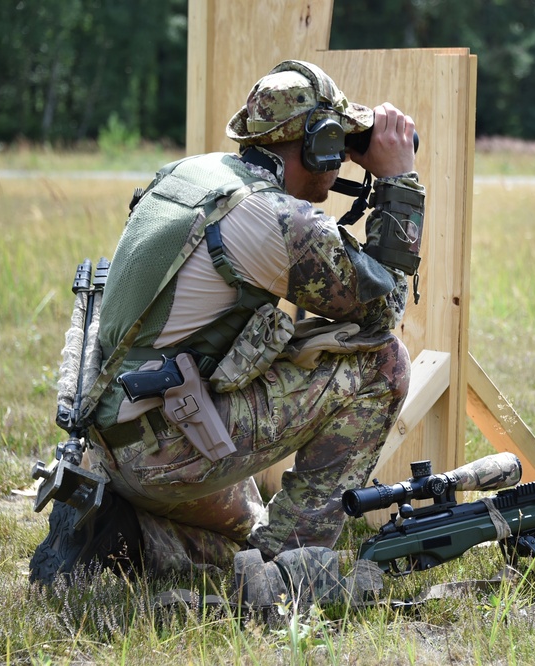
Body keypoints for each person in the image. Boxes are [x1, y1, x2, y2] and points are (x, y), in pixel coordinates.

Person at [29, 60, 424, 603]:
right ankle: (289, 570)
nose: (341, 160)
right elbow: (384, 308)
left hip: (111, 441)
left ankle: (130, 536)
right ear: (316, 145)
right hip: (162, 449)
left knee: (239, 526)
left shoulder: (193, 176)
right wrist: (398, 176)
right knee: (384, 363)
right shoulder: (278, 220)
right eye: (336, 143)